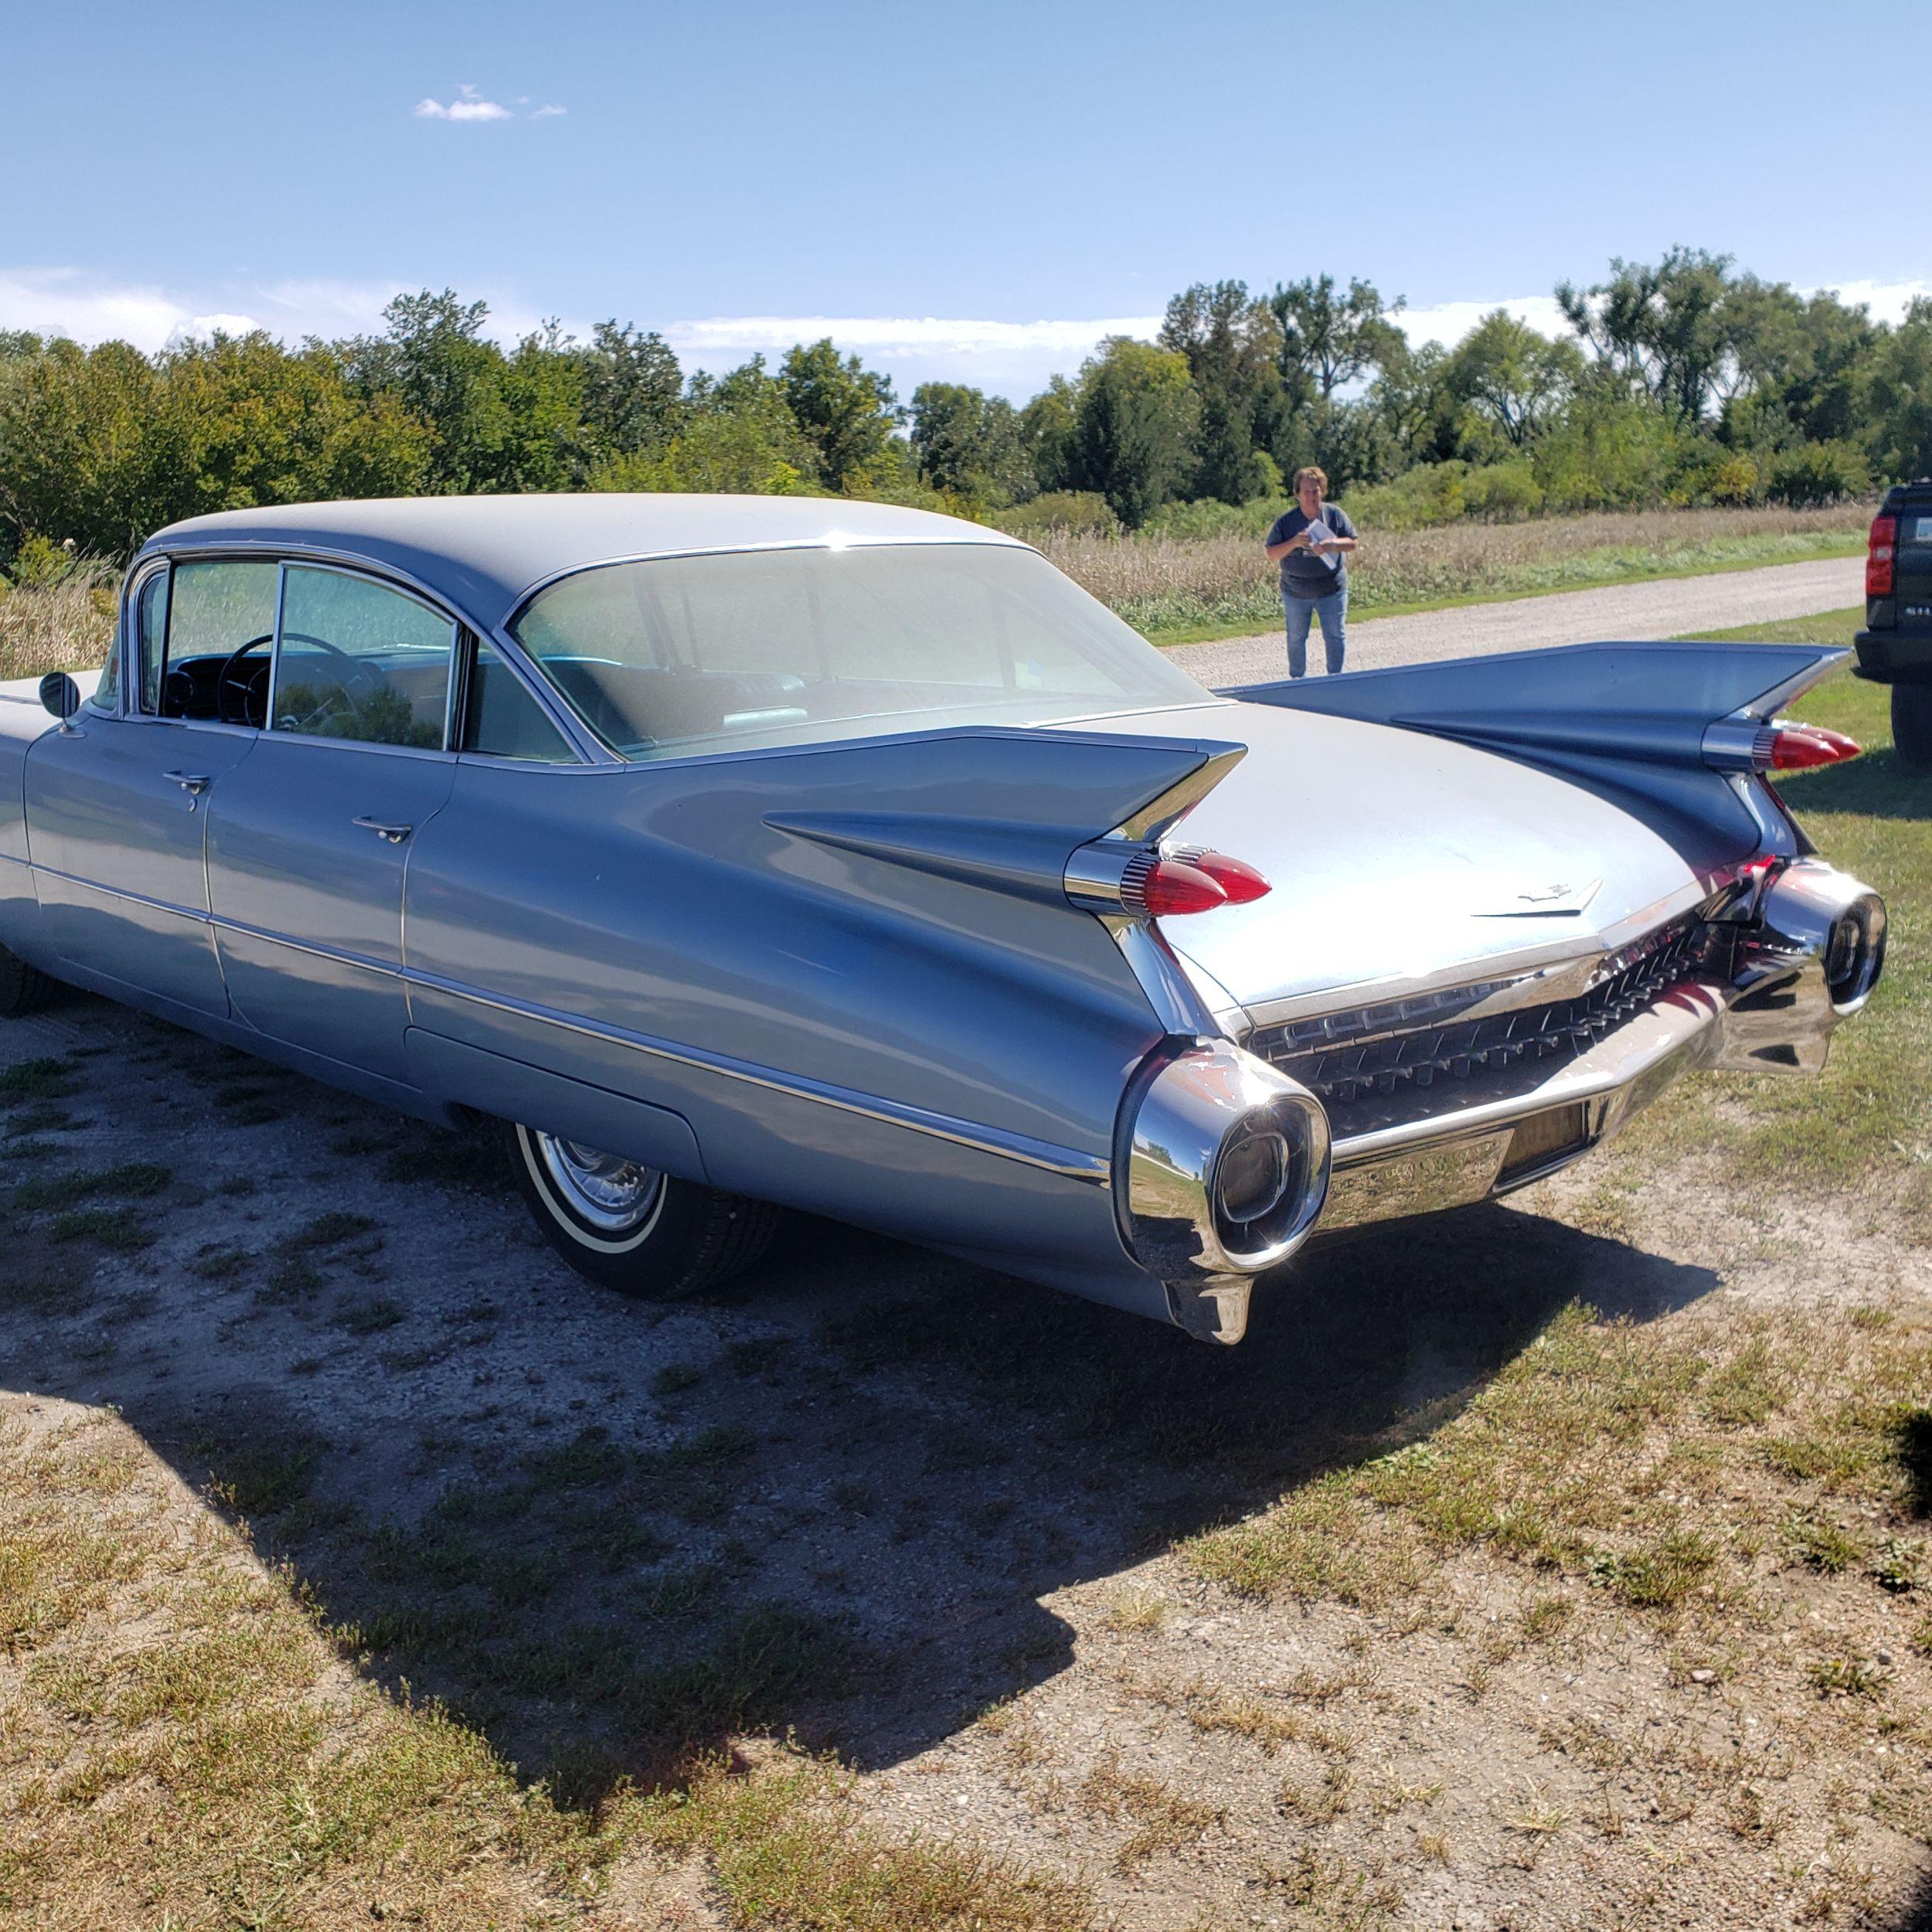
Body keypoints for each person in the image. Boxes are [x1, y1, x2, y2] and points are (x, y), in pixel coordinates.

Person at [1264, 466, 1358, 677]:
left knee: (1335, 635)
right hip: (1296, 592)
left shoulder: (1334, 514)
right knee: (1296, 637)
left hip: (1332, 588)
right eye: (1306, 492)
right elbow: (1271, 552)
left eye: (1315, 491)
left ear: (1322, 492)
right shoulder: (1286, 522)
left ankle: (1336, 678)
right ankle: (1297, 680)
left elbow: (1352, 543)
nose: (1311, 496)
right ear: (1297, 494)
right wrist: (1295, 542)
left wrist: (1331, 544)